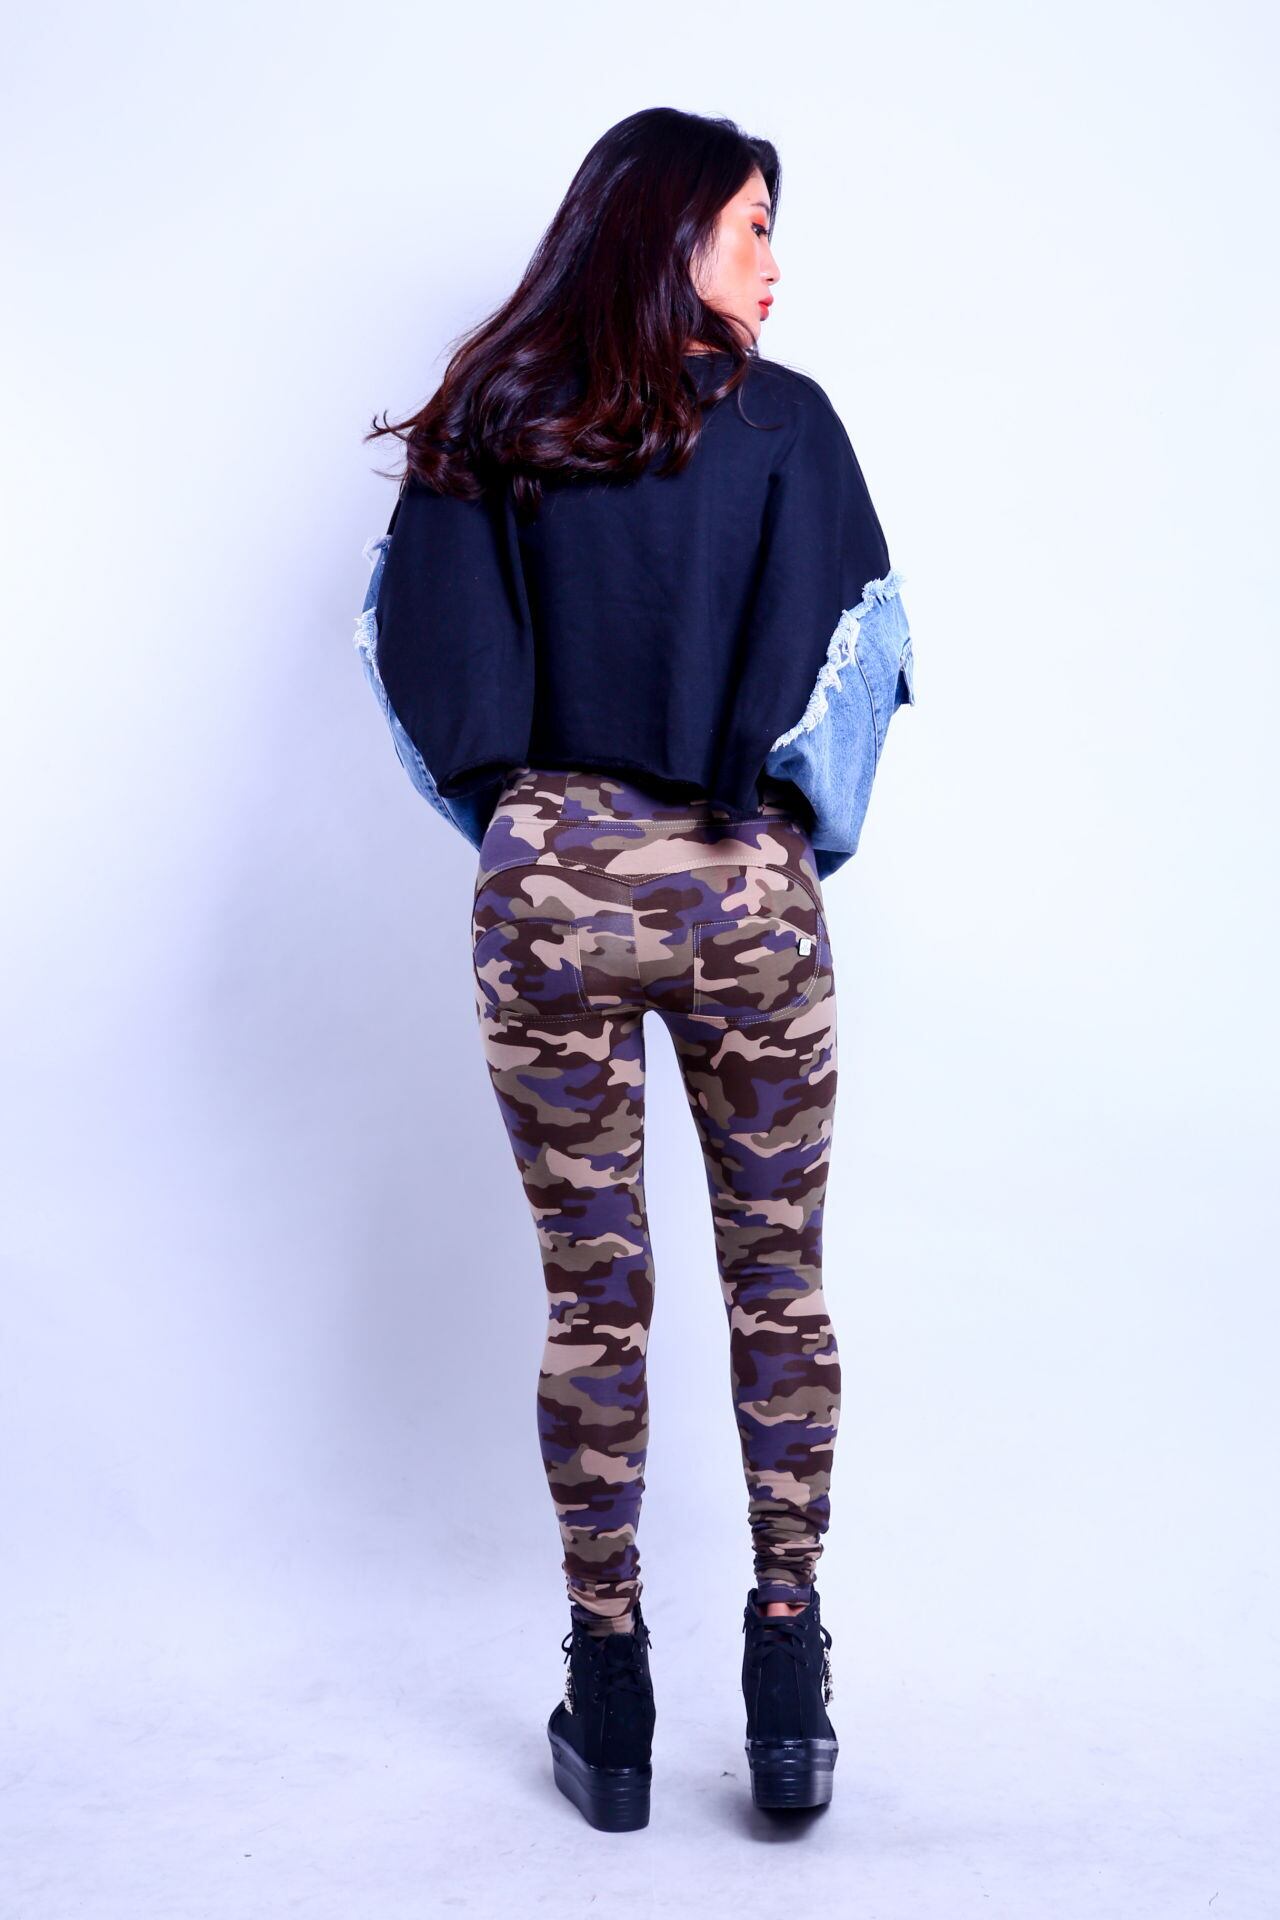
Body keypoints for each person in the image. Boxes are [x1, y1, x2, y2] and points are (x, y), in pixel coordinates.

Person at [353, 106, 916, 1830]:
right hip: (745, 888)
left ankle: (608, 1693)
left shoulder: (495, 417)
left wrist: (536, 832)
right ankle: (788, 1666)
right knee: (778, 1283)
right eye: (752, 224)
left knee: (593, 1296)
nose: (775, 262)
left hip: (548, 892)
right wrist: (770, 847)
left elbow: (419, 662)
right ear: (671, 228)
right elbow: (858, 666)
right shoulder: (788, 423)